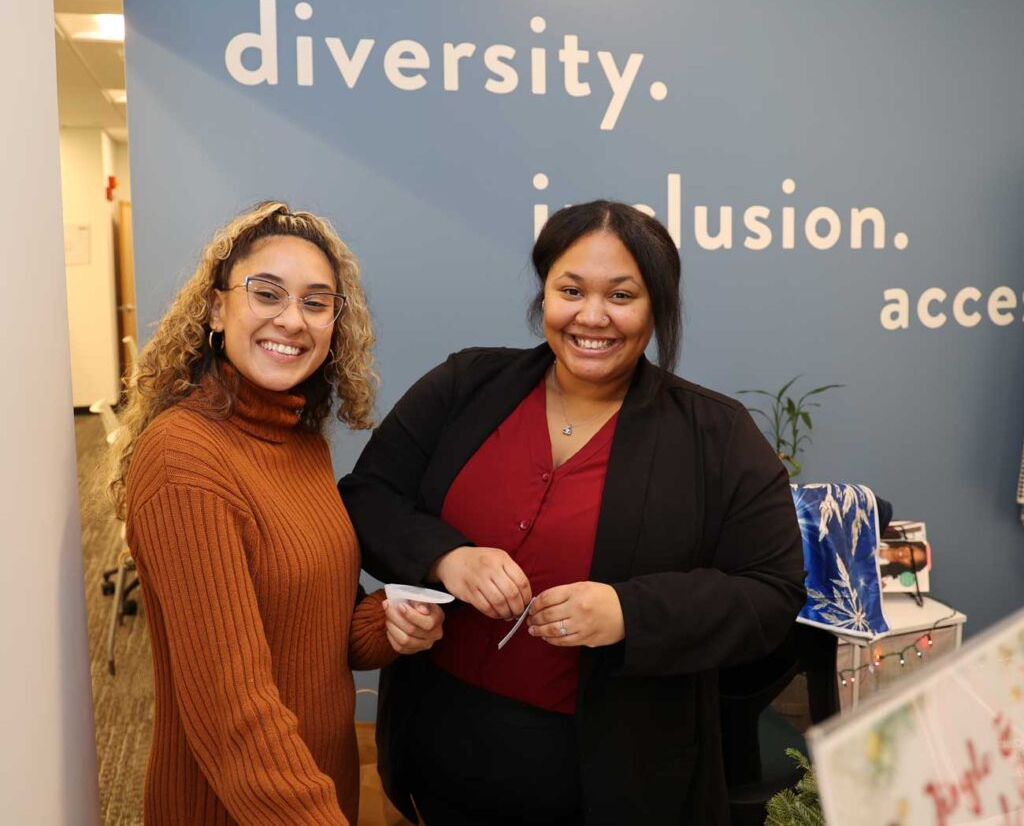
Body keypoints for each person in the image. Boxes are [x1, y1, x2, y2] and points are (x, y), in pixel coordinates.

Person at [339, 200, 807, 825]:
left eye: (622, 295)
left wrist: (628, 612)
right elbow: (367, 495)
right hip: (438, 752)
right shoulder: (465, 385)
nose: (592, 316)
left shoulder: (716, 436)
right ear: (544, 297)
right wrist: (446, 557)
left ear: (657, 308)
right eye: (570, 290)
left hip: (614, 782)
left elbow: (771, 593)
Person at [107, 201, 443, 824]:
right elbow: (233, 716)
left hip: (316, 793)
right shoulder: (186, 459)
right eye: (267, 293)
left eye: (316, 303)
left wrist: (385, 621)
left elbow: (312, 631)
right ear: (215, 308)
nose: (292, 319)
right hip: (234, 809)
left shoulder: (299, 441)